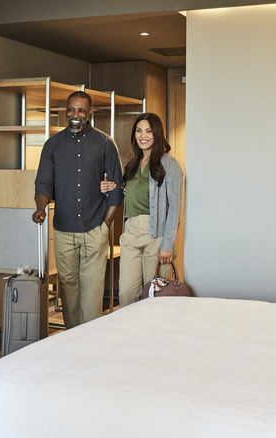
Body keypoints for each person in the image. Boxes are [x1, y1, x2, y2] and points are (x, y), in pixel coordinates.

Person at [33, 91, 123, 329]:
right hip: (63, 230)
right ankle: (72, 341)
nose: (75, 115)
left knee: (92, 292)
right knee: (69, 292)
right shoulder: (52, 145)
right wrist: (41, 208)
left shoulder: (105, 143)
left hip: (95, 229)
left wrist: (105, 226)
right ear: (65, 111)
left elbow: (116, 191)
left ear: (90, 113)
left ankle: (91, 345)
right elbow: (43, 183)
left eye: (81, 110)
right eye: (71, 109)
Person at [100, 112, 183, 307]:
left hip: (155, 236)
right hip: (130, 232)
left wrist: (167, 245)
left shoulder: (169, 165)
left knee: (154, 295)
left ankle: (154, 336)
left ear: (157, 134)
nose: (142, 135)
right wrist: (107, 188)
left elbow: (174, 208)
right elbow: (128, 195)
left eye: (148, 131)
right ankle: (131, 335)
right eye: (138, 131)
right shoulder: (132, 163)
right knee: (127, 294)